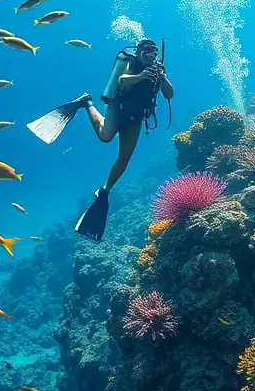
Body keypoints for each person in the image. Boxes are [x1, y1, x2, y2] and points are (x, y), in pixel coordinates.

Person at [26, 38, 174, 241]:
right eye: (145, 51)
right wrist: (141, 76)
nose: (149, 55)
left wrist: (163, 77)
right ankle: (86, 103)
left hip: (137, 117)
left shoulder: (157, 70)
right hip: (119, 108)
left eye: (153, 52)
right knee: (105, 136)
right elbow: (122, 80)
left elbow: (169, 94)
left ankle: (105, 190)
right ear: (138, 52)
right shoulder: (130, 62)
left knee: (124, 158)